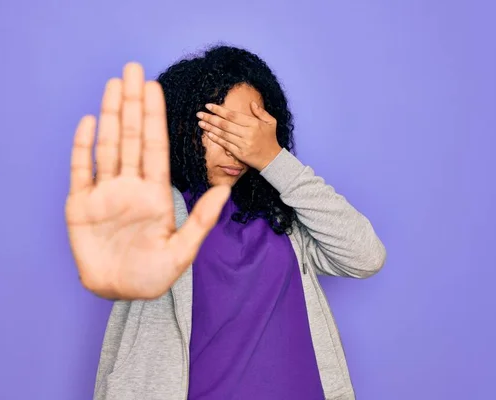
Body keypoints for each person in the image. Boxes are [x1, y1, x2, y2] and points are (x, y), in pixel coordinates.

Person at [65, 45, 386, 400]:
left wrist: (274, 160)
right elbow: (128, 260)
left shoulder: (283, 215)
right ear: (185, 125)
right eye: (222, 129)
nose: (237, 149)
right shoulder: (157, 211)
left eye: (250, 133)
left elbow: (365, 257)